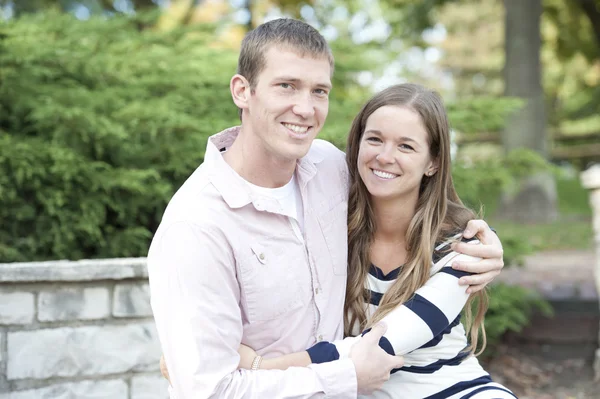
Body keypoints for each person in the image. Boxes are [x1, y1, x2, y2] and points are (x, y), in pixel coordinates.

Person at [148, 18, 505, 398]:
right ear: (242, 91)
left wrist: (489, 248)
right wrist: (345, 376)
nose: (304, 108)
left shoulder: (329, 171)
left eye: (319, 91)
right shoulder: (195, 227)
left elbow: (413, 197)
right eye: (287, 86)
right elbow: (209, 391)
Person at [236, 83, 517, 398]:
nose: (385, 157)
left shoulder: (461, 246)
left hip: (452, 389)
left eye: (406, 147)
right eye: (374, 139)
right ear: (357, 144)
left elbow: (378, 345)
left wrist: (257, 367)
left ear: (433, 162)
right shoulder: (329, 226)